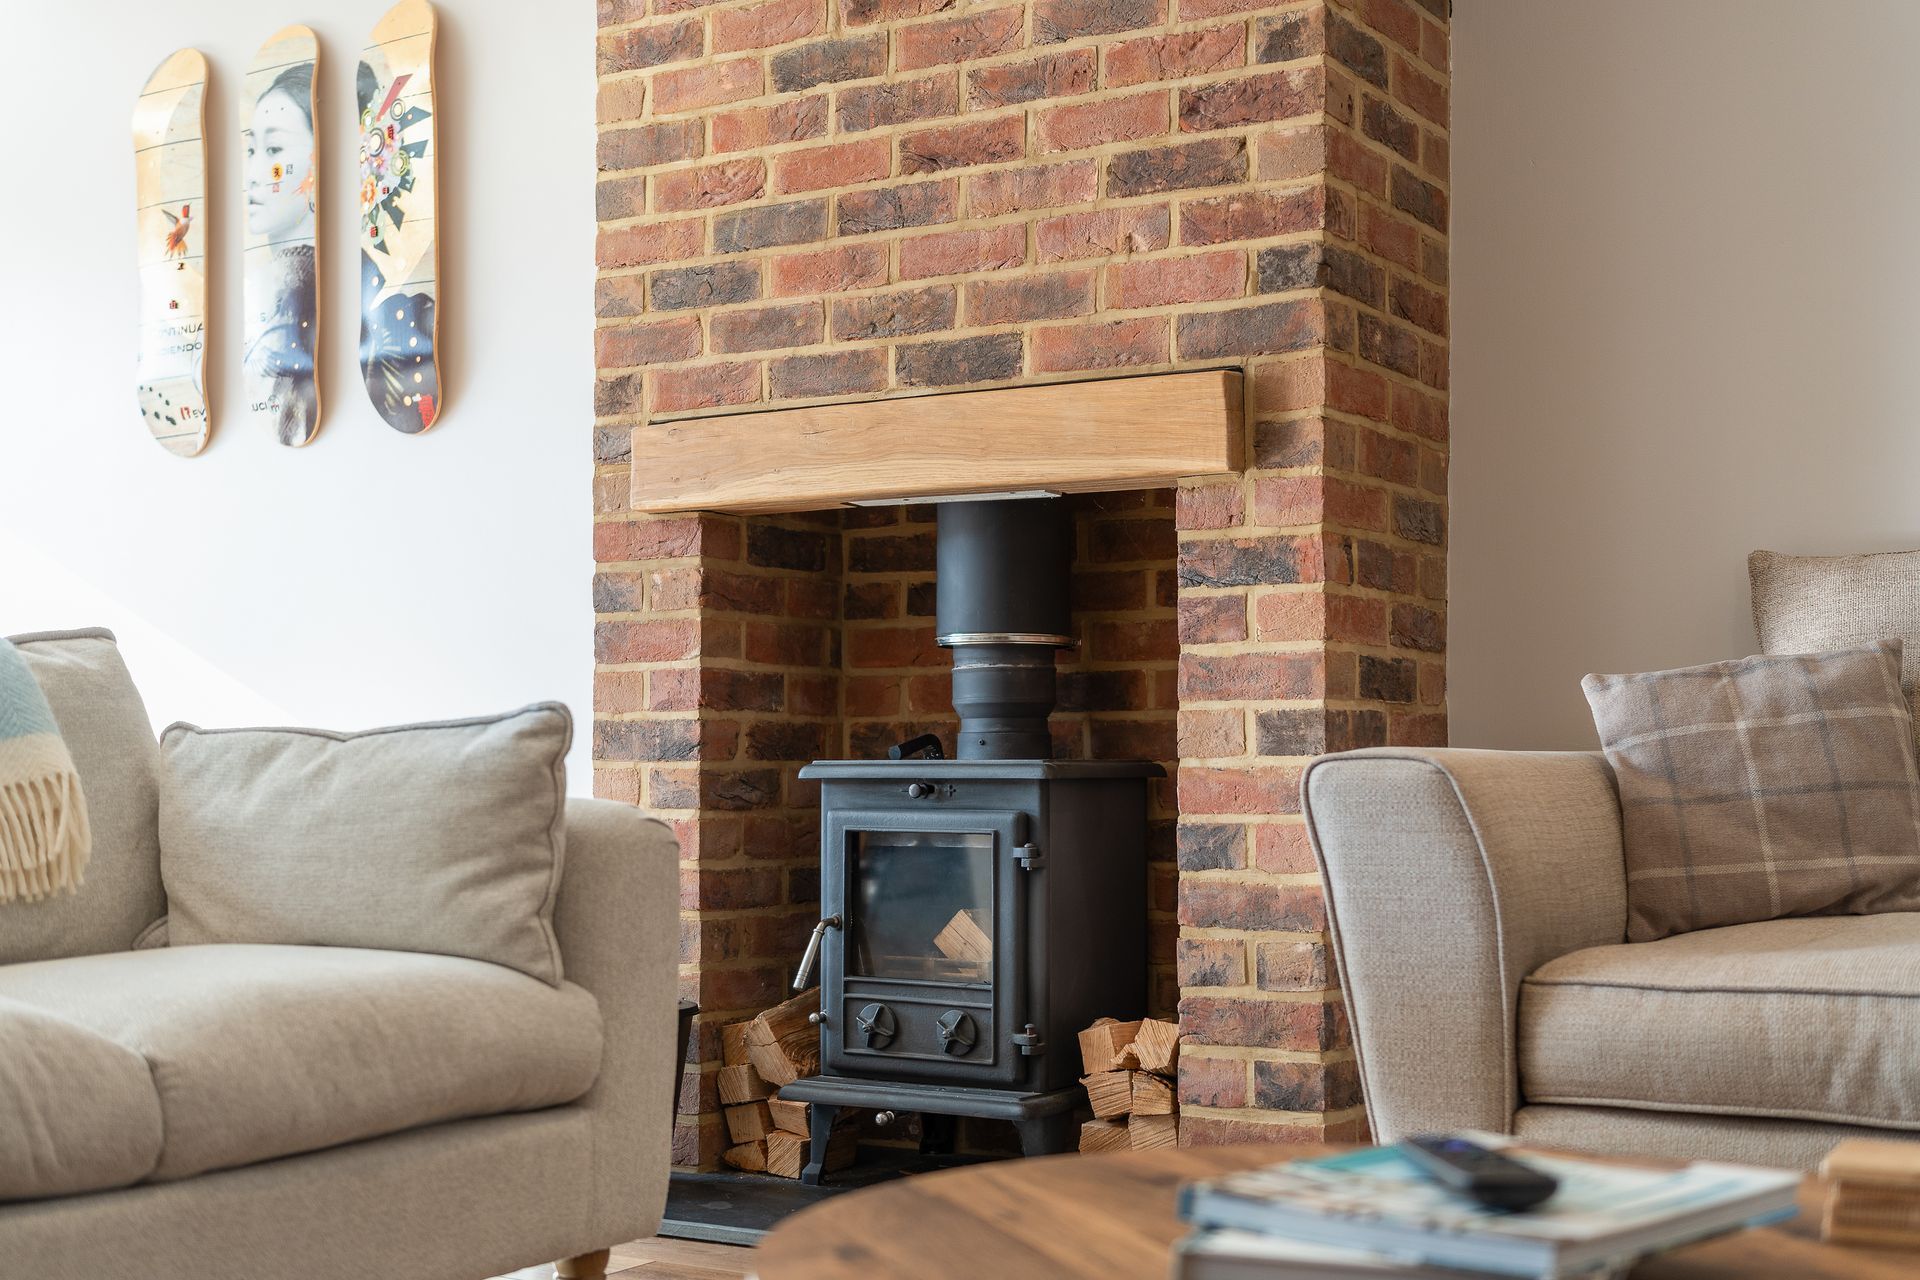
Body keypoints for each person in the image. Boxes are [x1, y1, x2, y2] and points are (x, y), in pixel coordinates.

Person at [242, 61, 319, 446]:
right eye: (251, 148)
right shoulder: (264, 285)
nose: (253, 173)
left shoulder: (288, 287)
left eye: (273, 149)